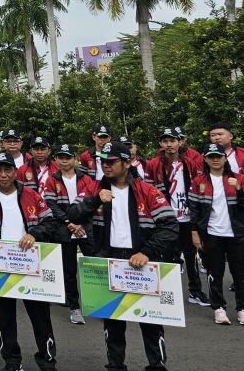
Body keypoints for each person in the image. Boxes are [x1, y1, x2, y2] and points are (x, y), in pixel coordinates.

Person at [68, 140, 177, 371]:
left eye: (111, 162)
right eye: (102, 162)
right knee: (113, 321)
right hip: (109, 261)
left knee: (150, 321)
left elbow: (170, 227)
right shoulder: (93, 188)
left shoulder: (146, 190)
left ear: (127, 163)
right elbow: (73, 215)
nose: (105, 166)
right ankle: (116, 366)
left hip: (142, 261)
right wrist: (96, 200)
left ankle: (157, 366)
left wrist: (146, 252)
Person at [0, 152, 59, 371]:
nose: (3, 174)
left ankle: (47, 361)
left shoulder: (31, 195)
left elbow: (51, 222)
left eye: (8, 169)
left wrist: (34, 233)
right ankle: (12, 361)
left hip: (31, 264)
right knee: (5, 318)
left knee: (41, 317)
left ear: (15, 171)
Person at [144, 127, 209, 306]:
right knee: (166, 257)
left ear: (180, 142)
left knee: (191, 256)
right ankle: (165, 293)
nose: (169, 145)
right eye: (165, 141)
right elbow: (149, 191)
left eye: (172, 140)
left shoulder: (190, 162)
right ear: (161, 144)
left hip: (187, 218)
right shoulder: (153, 164)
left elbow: (197, 187)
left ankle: (195, 291)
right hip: (166, 219)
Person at [42, 143, 99, 325]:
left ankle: (99, 304)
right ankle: (74, 308)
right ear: (56, 160)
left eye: (68, 157)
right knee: (69, 271)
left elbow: (92, 203)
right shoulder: (52, 179)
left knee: (94, 266)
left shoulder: (87, 179)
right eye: (61, 157)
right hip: (64, 230)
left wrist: (80, 223)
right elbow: (51, 205)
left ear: (74, 159)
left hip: (85, 228)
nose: (64, 161)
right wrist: (69, 223)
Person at [188, 142, 244, 325]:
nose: (215, 160)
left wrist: (239, 190)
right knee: (215, 272)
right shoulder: (199, 182)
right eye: (211, 157)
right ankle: (218, 308)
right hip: (211, 233)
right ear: (205, 159)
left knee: (240, 273)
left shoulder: (238, 179)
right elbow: (194, 210)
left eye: (218, 156)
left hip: (236, 233)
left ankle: (241, 309)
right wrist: (194, 232)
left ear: (225, 158)